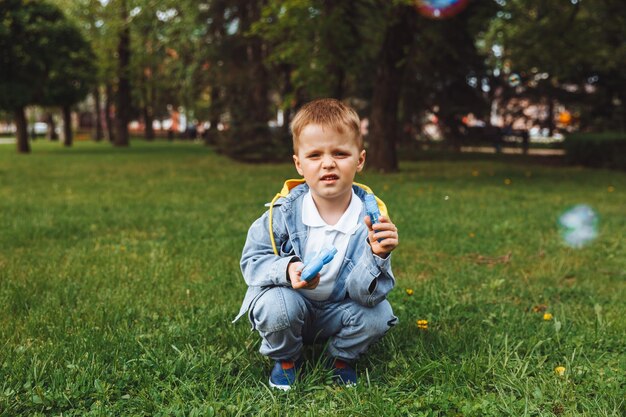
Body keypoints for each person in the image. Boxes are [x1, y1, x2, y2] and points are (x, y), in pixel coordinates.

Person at [233, 98, 400, 390]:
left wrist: (378, 256)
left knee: (379, 313)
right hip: (291, 305)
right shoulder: (280, 214)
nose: (328, 163)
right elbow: (252, 261)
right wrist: (288, 270)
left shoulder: (371, 221)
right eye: (314, 155)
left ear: (359, 160)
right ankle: (286, 359)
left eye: (339, 152)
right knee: (274, 305)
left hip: (339, 310)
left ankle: (340, 359)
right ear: (299, 164)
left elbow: (366, 295)